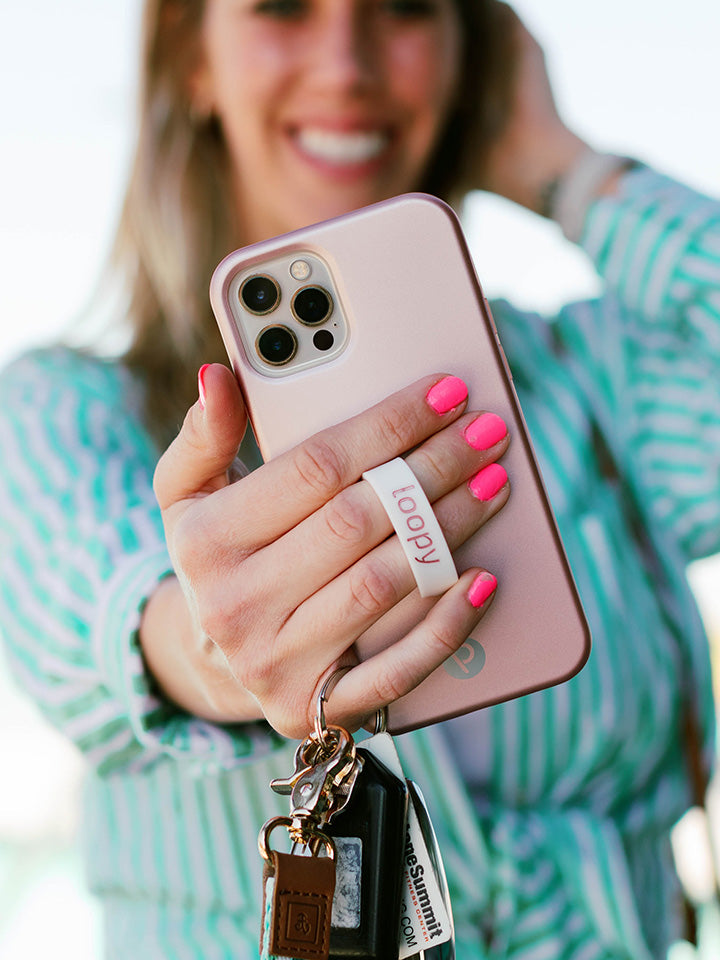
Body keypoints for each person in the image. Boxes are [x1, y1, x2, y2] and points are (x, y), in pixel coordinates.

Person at [0, 1, 718, 958]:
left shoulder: (593, 380)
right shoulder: (61, 410)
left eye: (408, 7)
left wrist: (564, 167)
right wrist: (214, 643)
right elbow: (102, 617)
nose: (347, 63)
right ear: (196, 66)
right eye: (284, 8)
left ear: (474, 60)